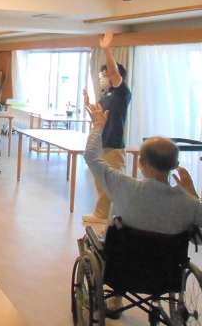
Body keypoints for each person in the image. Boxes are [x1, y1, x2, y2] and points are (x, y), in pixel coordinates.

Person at [83, 102, 202, 316]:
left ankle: (116, 299)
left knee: (116, 214)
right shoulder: (190, 204)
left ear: (141, 162)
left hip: (123, 269)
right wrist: (192, 193)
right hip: (166, 275)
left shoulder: (124, 186)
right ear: (174, 164)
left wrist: (98, 126)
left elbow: (91, 156)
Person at [82, 30, 132, 224]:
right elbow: (98, 118)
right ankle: (103, 214)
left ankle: (110, 215)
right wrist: (87, 104)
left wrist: (106, 49)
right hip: (102, 141)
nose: (103, 78)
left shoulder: (121, 92)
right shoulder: (106, 95)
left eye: (106, 75)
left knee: (112, 181)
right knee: (100, 180)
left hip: (113, 143)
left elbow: (114, 72)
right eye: (102, 75)